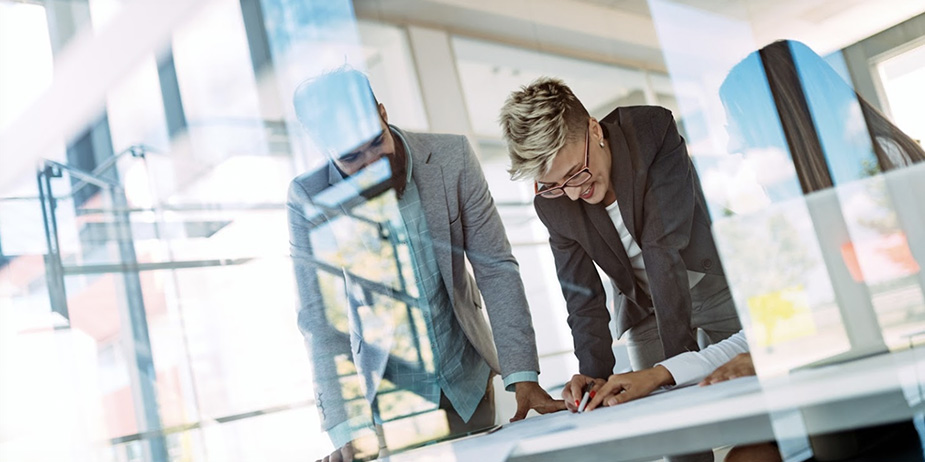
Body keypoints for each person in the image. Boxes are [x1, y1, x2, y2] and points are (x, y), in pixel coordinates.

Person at [289, 68, 564, 462]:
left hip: (468, 382)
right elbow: (321, 321)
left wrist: (522, 375)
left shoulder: (451, 157)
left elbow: (496, 268)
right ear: (323, 147)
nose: (372, 164)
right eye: (351, 157)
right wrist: (348, 429)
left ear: (383, 113)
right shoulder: (308, 197)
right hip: (390, 401)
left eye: (374, 143)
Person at [499, 77, 742, 462]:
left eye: (576, 173)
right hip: (644, 304)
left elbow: (663, 249)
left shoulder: (651, 131)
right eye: (554, 184)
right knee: (675, 434)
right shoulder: (553, 203)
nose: (574, 193)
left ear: (594, 130)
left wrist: (671, 368)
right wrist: (593, 377)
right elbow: (582, 296)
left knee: (750, 404)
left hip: (708, 281)